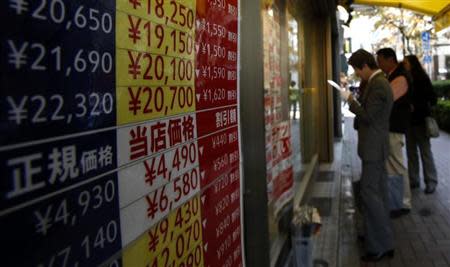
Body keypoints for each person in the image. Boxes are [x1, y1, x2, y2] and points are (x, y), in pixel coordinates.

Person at [341, 49, 394, 262]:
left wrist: (351, 100)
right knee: (377, 194)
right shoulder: (378, 82)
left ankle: (379, 246)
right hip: (375, 147)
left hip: (373, 148)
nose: (356, 74)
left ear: (364, 66)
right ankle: (382, 241)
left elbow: (368, 116)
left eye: (356, 69)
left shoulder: (379, 84)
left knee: (370, 196)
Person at [376, 48, 413, 216]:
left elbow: (387, 100)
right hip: (393, 126)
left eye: (380, 60)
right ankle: (398, 201)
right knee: (394, 165)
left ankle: (403, 202)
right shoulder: (394, 75)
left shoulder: (399, 76)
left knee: (396, 165)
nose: (379, 64)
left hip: (395, 126)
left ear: (390, 59)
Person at [403, 55, 438, 194]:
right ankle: (414, 180)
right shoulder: (405, 79)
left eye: (405, 63)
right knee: (411, 153)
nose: (403, 64)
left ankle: (430, 181)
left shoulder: (422, 78)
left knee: (425, 152)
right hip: (409, 121)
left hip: (421, 121)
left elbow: (433, 98)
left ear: (412, 64)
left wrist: (416, 105)